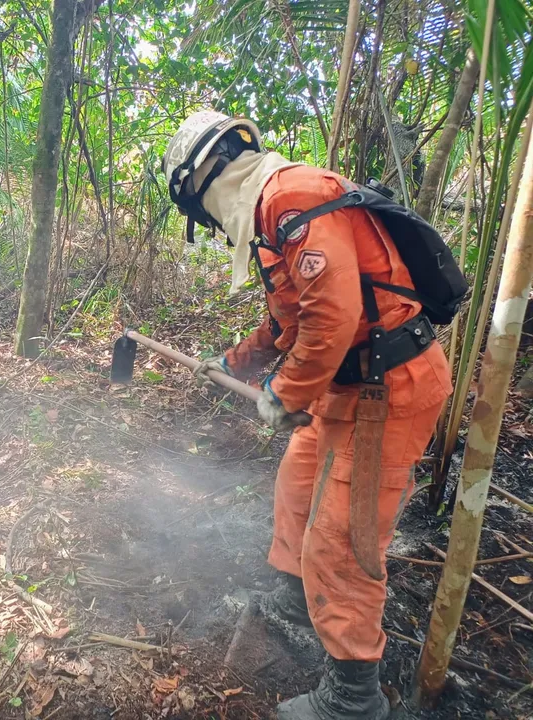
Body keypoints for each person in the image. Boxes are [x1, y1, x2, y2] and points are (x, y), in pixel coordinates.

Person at [162, 111, 453, 719]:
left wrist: (285, 392)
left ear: (205, 180)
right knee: (297, 488)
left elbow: (333, 316)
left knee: (341, 540)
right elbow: (290, 319)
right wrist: (237, 362)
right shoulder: (272, 215)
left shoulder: (292, 198)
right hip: (346, 388)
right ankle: (298, 599)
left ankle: (353, 699)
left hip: (388, 390)